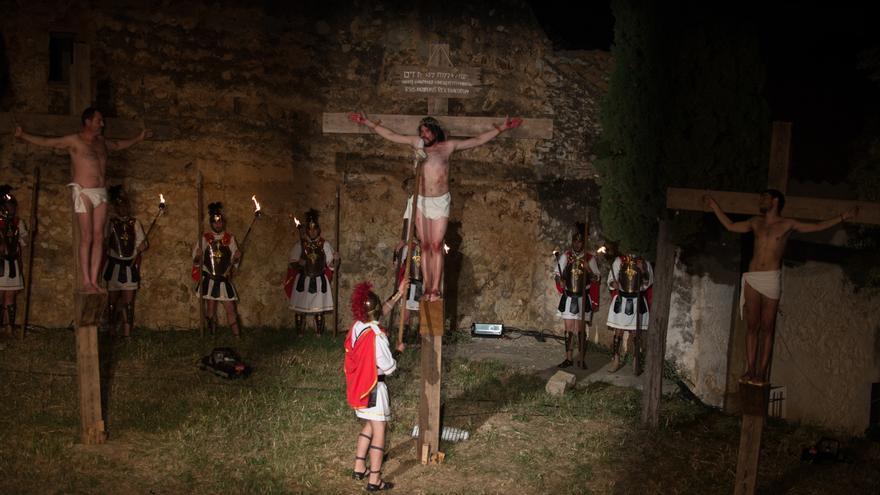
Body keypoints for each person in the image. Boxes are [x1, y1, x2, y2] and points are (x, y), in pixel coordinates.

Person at [348, 112, 522, 301]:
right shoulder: (417, 144)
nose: (424, 135)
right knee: (425, 245)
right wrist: (367, 122)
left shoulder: (447, 147)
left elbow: (477, 140)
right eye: (421, 132)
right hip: (421, 201)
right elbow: (392, 135)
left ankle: (435, 289)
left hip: (440, 202)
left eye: (427, 131)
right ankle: (427, 287)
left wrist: (502, 128)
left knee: (437, 245)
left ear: (435, 131)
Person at [705, 190, 858, 384]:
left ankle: (761, 373)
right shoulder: (755, 222)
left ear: (775, 201)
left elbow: (817, 226)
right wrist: (714, 206)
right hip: (753, 277)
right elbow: (730, 225)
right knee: (752, 326)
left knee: (767, 327)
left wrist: (843, 216)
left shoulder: (787, 224)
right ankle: (750, 370)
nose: (761, 200)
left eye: (765, 198)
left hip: (771, 278)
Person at [15, 107, 151, 293]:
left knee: (99, 236)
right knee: (86, 236)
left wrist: (138, 138)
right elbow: (48, 141)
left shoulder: (101, 142)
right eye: (98, 120)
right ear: (87, 122)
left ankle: (95, 281)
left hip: (100, 192)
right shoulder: (74, 141)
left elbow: (118, 144)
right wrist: (23, 135)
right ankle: (86, 281)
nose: (102, 124)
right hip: (83, 192)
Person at [344, 280, 406, 492]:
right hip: (374, 389)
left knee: (369, 425)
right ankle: (374, 480)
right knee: (380, 431)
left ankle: (359, 467)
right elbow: (389, 368)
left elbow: (379, 315)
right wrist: (397, 352)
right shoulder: (377, 336)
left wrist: (398, 294)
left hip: (360, 389)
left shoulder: (357, 326)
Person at [102, 185, 147, 338]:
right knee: (112, 303)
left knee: (128, 304)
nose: (123, 208)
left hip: (129, 266)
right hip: (114, 265)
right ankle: (111, 331)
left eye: (125, 205)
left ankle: (127, 334)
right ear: (116, 206)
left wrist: (142, 246)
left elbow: (142, 243)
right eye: (120, 205)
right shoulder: (110, 223)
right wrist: (105, 241)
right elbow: (104, 242)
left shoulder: (135, 223)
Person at [554, 222, 600, 369]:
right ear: (572, 241)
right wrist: (560, 280)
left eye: (580, 242)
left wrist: (589, 269)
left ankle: (581, 359)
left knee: (580, 330)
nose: (577, 244)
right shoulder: (566, 256)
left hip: (582, 297)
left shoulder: (590, 258)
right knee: (568, 329)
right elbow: (557, 274)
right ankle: (568, 358)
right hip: (569, 297)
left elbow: (596, 279)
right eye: (575, 241)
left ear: (583, 243)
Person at [192, 202, 241, 336]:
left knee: (230, 308)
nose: (218, 225)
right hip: (210, 278)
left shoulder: (230, 239)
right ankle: (212, 336)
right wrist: (198, 255)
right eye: (215, 222)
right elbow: (196, 261)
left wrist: (237, 257)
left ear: (223, 223)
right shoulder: (204, 238)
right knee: (210, 308)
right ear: (211, 223)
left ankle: (237, 336)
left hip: (224, 278)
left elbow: (234, 262)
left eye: (220, 222)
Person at [288, 209, 337, 335]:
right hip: (303, 279)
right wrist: (299, 263)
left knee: (318, 310)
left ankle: (319, 334)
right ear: (307, 230)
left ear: (318, 230)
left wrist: (336, 259)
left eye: (315, 229)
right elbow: (292, 262)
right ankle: (299, 333)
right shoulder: (300, 244)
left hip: (319, 279)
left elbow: (331, 264)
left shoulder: (324, 244)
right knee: (299, 310)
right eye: (310, 229)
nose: (312, 232)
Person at [607, 253, 653, 374]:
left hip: (637, 299)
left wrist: (642, 270)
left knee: (636, 333)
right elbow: (611, 279)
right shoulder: (619, 260)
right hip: (622, 299)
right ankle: (616, 360)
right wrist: (613, 283)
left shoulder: (644, 261)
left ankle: (636, 361)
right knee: (618, 332)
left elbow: (647, 283)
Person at [0, 185, 28, 336]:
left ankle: (9, 327)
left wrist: (30, 232)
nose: (11, 208)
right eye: (8, 205)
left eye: (12, 205)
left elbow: (24, 242)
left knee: (10, 296)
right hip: (0, 263)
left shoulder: (18, 223)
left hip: (12, 264)